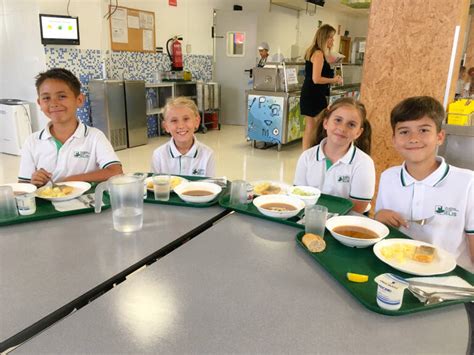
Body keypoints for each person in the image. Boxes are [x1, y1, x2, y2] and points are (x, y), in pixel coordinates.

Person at [375, 96, 474, 272]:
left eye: (423, 130)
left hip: (449, 283)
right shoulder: (388, 177)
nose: (413, 138)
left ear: (440, 137)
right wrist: (379, 218)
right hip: (395, 271)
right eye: (404, 132)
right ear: (394, 140)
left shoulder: (468, 183)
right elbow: (382, 232)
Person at [18, 68, 123, 187]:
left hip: (86, 201)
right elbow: (23, 186)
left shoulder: (94, 137)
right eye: (46, 98)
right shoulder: (32, 142)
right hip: (48, 204)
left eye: (61, 96)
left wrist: (71, 180)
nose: (54, 103)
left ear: (79, 100)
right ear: (39, 103)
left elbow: (116, 171)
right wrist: (35, 182)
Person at [294, 97, 375, 214]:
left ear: (358, 132)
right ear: (326, 123)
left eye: (351, 124)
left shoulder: (364, 163)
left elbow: (357, 209)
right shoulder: (307, 157)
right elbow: (298, 196)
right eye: (338, 120)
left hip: (347, 222)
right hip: (311, 217)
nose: (342, 128)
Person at [300, 24, 343, 151]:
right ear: (324, 38)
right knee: (314, 127)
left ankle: (308, 154)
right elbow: (316, 78)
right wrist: (334, 80)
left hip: (312, 93)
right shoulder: (318, 53)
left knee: (311, 126)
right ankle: (309, 154)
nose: (333, 41)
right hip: (314, 94)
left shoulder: (314, 51)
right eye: (331, 37)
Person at [151, 97, 215, 176]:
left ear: (197, 121)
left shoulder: (207, 154)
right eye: (174, 120)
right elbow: (155, 185)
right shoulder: (158, 155)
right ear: (166, 126)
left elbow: (209, 186)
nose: (181, 126)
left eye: (186, 119)